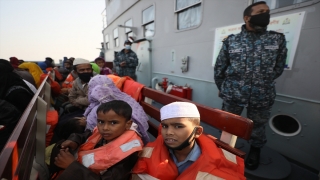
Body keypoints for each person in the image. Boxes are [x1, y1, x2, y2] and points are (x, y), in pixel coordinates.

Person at [214, 1, 287, 170]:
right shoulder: (231, 41)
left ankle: (255, 151)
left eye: (267, 11)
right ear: (247, 17)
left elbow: (278, 67)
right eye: (261, 11)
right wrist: (225, 88)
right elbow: (220, 69)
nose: (266, 14)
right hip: (233, 93)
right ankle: (225, 150)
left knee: (258, 126)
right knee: (229, 124)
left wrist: (262, 82)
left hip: (262, 94)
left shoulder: (277, 39)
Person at [132, 102, 245, 180]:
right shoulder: (147, 152)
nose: (168, 132)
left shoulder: (219, 163)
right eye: (165, 126)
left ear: (197, 132)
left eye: (178, 126)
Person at [53, 100, 143, 180]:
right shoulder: (104, 133)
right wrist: (74, 140)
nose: (105, 128)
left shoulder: (129, 153)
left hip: (80, 171)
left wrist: (71, 166)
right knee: (59, 146)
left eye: (113, 123)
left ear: (128, 124)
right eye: (101, 122)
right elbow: (84, 136)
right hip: (80, 168)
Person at [84, 75, 150, 145]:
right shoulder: (125, 98)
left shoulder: (101, 108)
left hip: (117, 142)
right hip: (135, 137)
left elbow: (91, 130)